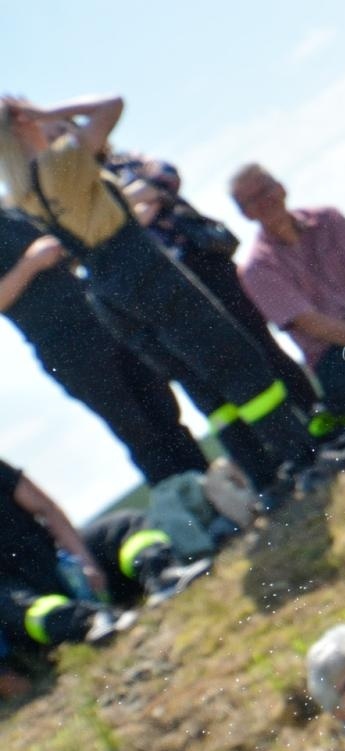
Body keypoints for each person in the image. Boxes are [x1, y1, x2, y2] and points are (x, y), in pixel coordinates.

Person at [0, 95, 319, 503]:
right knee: (231, 358)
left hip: (106, 285)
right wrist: (50, 115)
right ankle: (304, 457)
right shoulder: (59, 164)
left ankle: (266, 476)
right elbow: (111, 106)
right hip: (137, 263)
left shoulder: (24, 192)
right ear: (23, 121)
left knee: (200, 379)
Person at [105, 149, 322, 420]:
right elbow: (109, 229)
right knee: (231, 362)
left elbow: (166, 176)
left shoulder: (124, 160)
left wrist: (125, 207)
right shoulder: (83, 194)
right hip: (170, 285)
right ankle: (292, 439)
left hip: (208, 262)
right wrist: (138, 199)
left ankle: (317, 415)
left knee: (261, 342)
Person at [1, 206, 209, 486]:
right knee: (138, 430)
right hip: (63, 345)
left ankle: (210, 491)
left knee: (163, 408)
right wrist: (31, 263)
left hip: (99, 317)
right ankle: (192, 512)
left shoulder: (13, 211)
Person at [231, 163, 345, 422]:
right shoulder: (256, 269)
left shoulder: (329, 218)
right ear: (245, 213)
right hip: (336, 355)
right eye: (252, 199)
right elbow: (314, 325)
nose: (264, 200)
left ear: (281, 187)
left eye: (266, 189)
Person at [0, 459, 209, 652]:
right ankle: (91, 621)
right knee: (11, 604)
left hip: (63, 564)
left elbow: (46, 508)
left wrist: (85, 562)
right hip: (22, 593)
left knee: (125, 525)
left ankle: (163, 575)